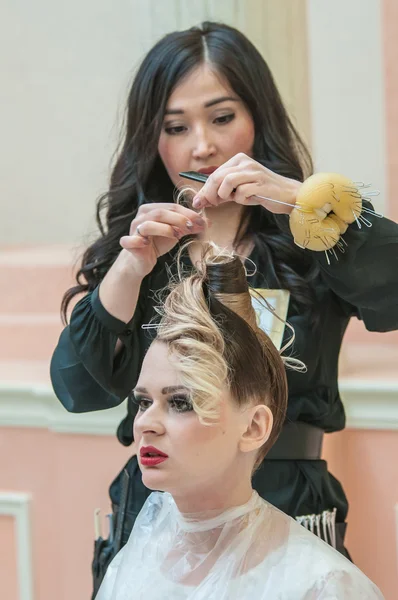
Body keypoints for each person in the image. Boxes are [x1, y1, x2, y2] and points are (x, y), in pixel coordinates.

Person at [50, 20, 398, 592]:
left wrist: (303, 206)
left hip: (288, 503)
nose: (202, 145)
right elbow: (77, 389)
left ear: (257, 119)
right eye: (176, 126)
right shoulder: (137, 252)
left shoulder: (307, 241)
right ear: (152, 139)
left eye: (222, 117)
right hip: (158, 516)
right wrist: (129, 267)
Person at [95, 247, 384, 599]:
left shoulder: (320, 584)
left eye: (181, 402)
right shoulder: (137, 555)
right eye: (143, 402)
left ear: (253, 428)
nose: (145, 425)